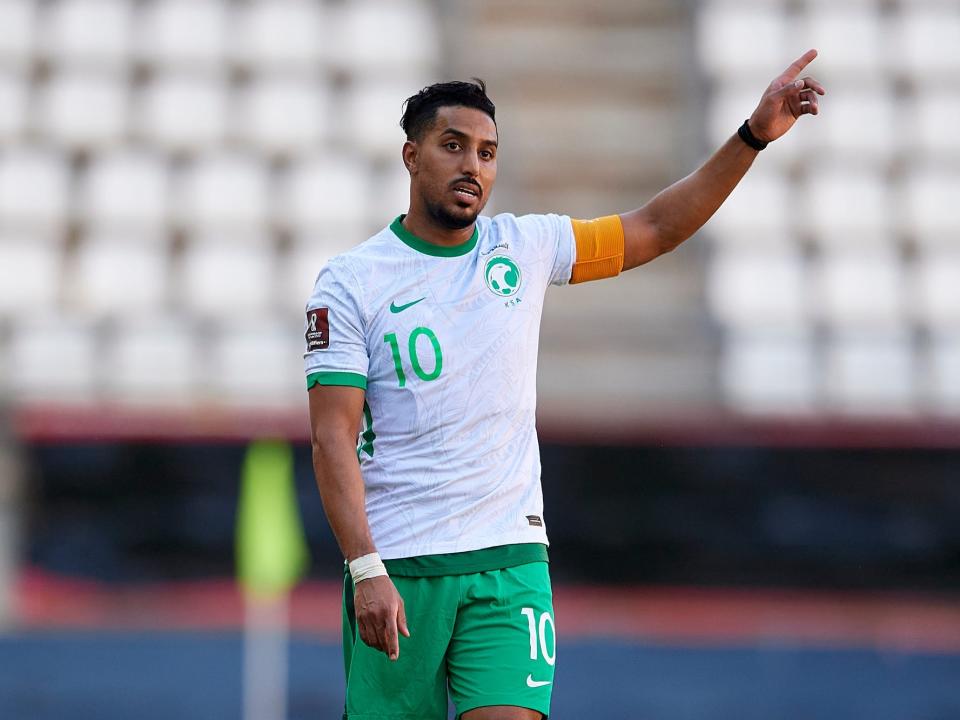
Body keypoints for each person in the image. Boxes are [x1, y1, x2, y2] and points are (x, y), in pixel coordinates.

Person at [305, 50, 824, 720]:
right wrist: (365, 568)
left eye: (488, 153)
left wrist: (751, 136)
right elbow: (331, 438)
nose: (472, 166)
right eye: (453, 146)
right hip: (404, 567)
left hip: (511, 560)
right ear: (411, 157)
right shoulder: (351, 282)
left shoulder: (524, 248)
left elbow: (657, 229)